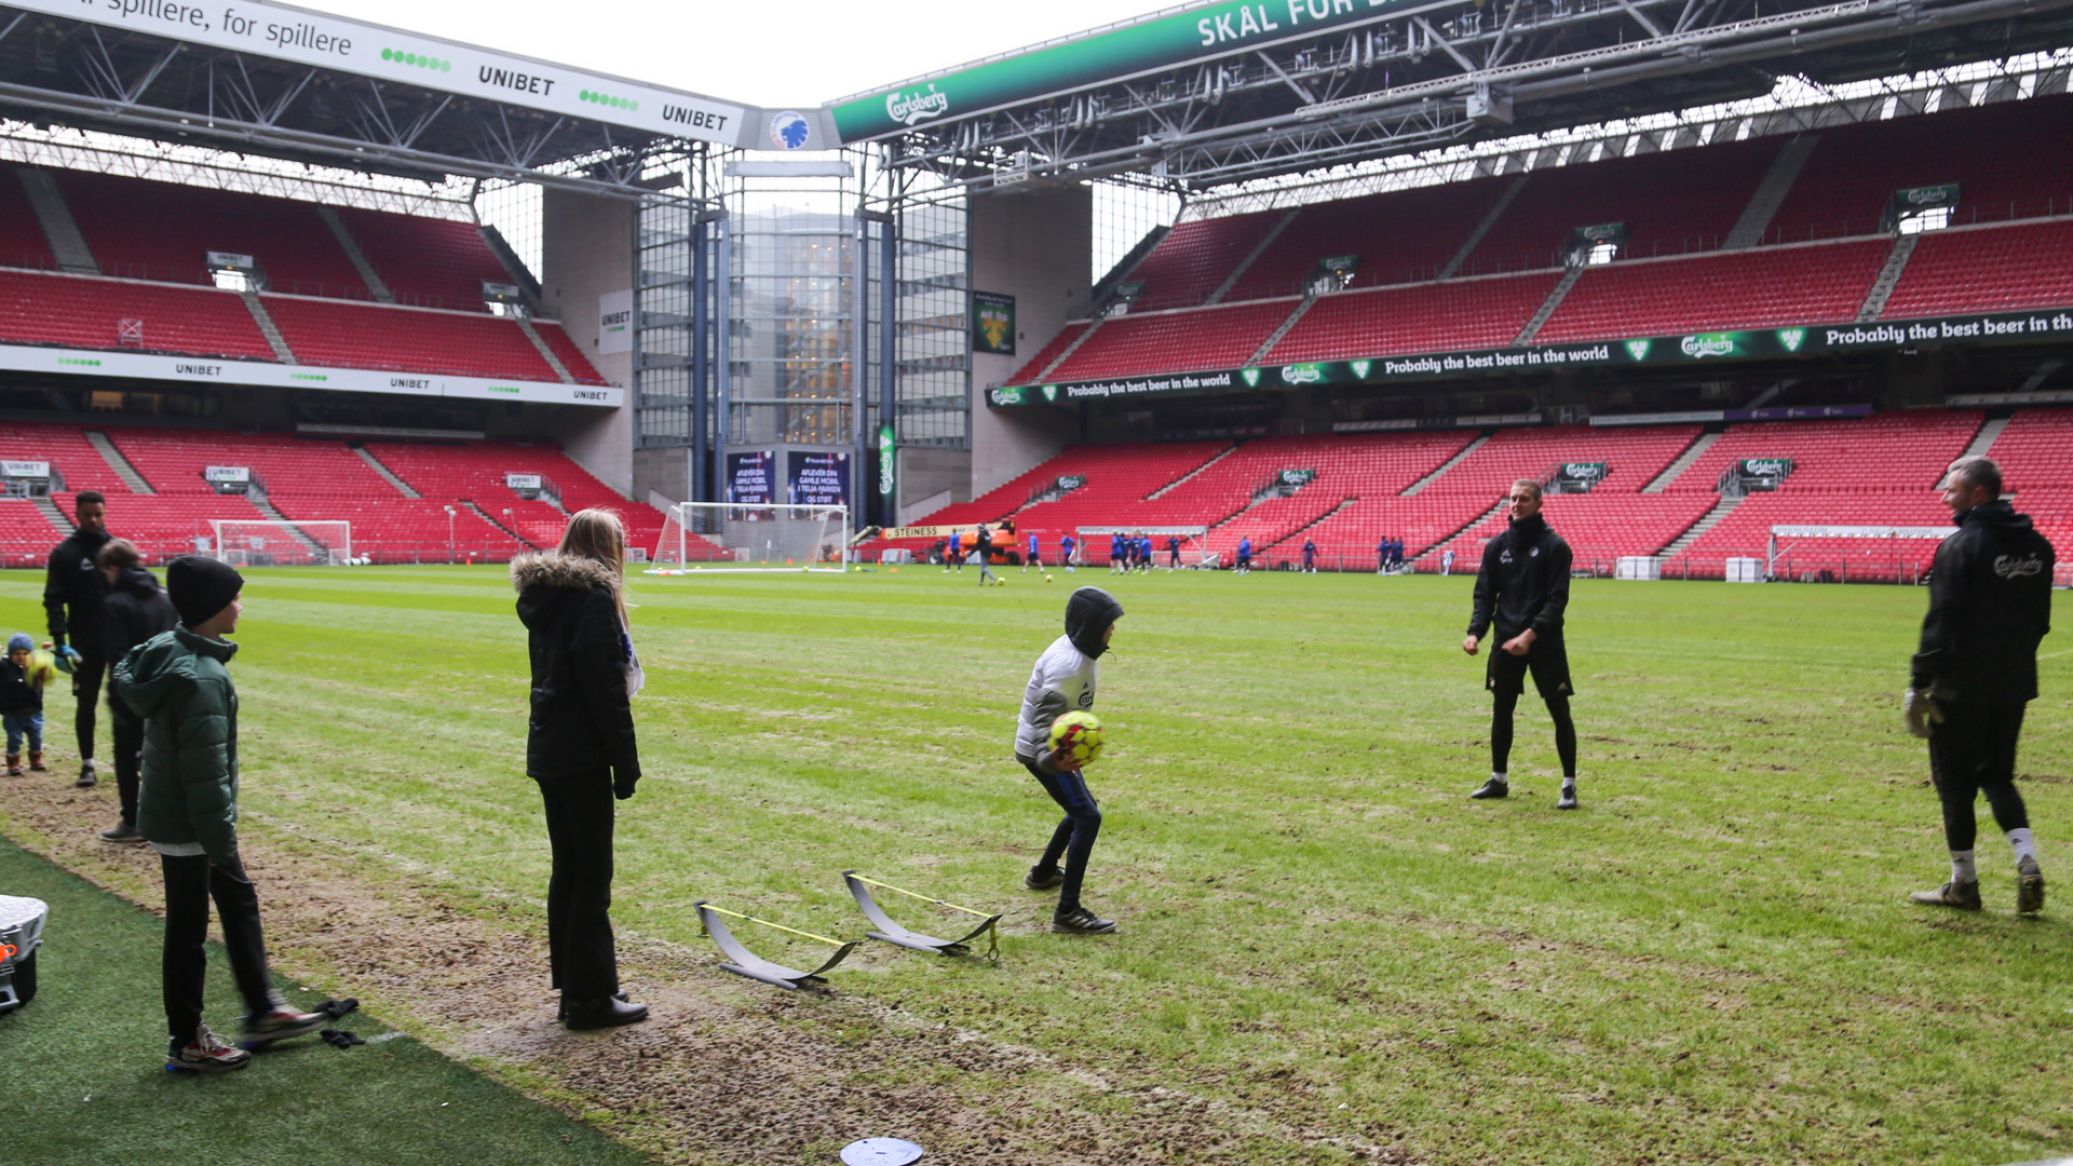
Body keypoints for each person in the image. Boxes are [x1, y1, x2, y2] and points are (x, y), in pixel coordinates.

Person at [117, 557, 329, 1072]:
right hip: (191, 824)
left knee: (237, 897)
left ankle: (263, 1009)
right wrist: (219, 839)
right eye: (234, 597)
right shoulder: (202, 678)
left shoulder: (172, 648)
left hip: (180, 816)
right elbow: (205, 774)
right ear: (214, 607)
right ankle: (188, 1038)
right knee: (188, 930)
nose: (241, 605)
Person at [512, 509, 648, 1028]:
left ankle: (577, 987)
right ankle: (591, 998)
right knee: (591, 875)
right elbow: (604, 692)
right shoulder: (590, 601)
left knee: (569, 872)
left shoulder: (548, 599)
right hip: (580, 753)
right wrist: (626, 763)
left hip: (551, 750)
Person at [1905, 457, 2052, 914]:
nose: (1944, 497)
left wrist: (1919, 684)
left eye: (1951, 490)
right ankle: (2026, 860)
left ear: (1977, 495)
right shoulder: (2038, 547)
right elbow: (2039, 622)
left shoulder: (1960, 546)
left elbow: (1941, 623)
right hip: (2012, 685)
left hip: (1959, 689)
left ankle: (1963, 884)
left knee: (1955, 786)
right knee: (1998, 777)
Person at [1015, 587, 1125, 935]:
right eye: (1109, 624)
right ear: (1091, 627)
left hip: (1056, 746)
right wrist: (1054, 759)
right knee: (1088, 817)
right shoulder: (1067, 665)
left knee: (1082, 809)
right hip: (1043, 750)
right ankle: (1067, 912)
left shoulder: (1080, 652)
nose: (1113, 631)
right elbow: (1041, 720)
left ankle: (1044, 872)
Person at [1463, 479, 1579, 810]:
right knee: (1502, 710)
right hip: (1505, 640)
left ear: (1539, 504)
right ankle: (1498, 779)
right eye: (1513, 499)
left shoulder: (1556, 547)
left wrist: (1530, 635)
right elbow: (1484, 595)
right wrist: (1475, 632)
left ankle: (1568, 784)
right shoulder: (1497, 547)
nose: (1517, 504)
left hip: (1544, 642)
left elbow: (1557, 601)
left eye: (1524, 499)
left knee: (1559, 710)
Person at [97, 539, 177, 843]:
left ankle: (133, 820)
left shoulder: (114, 603)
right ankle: (167, 819)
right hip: (166, 691)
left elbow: (119, 657)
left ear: (113, 568)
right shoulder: (165, 597)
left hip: (131, 695)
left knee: (127, 758)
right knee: (162, 757)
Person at [43, 490, 111, 787]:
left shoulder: (115, 549)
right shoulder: (64, 554)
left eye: (98, 514)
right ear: (77, 514)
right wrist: (60, 643)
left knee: (129, 701)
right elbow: (53, 600)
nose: (94, 520)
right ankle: (87, 764)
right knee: (86, 702)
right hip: (84, 642)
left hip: (120, 641)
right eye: (88, 515)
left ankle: (136, 756)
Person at [4, 632, 47, 776]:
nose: (21, 657)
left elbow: (46, 667)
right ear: (10, 654)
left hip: (34, 710)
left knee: (36, 736)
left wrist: (46, 652)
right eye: (16, 653)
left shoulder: (35, 666)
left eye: (25, 653)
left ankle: (36, 760)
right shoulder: (4, 667)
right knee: (14, 738)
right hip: (13, 713)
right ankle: (13, 762)